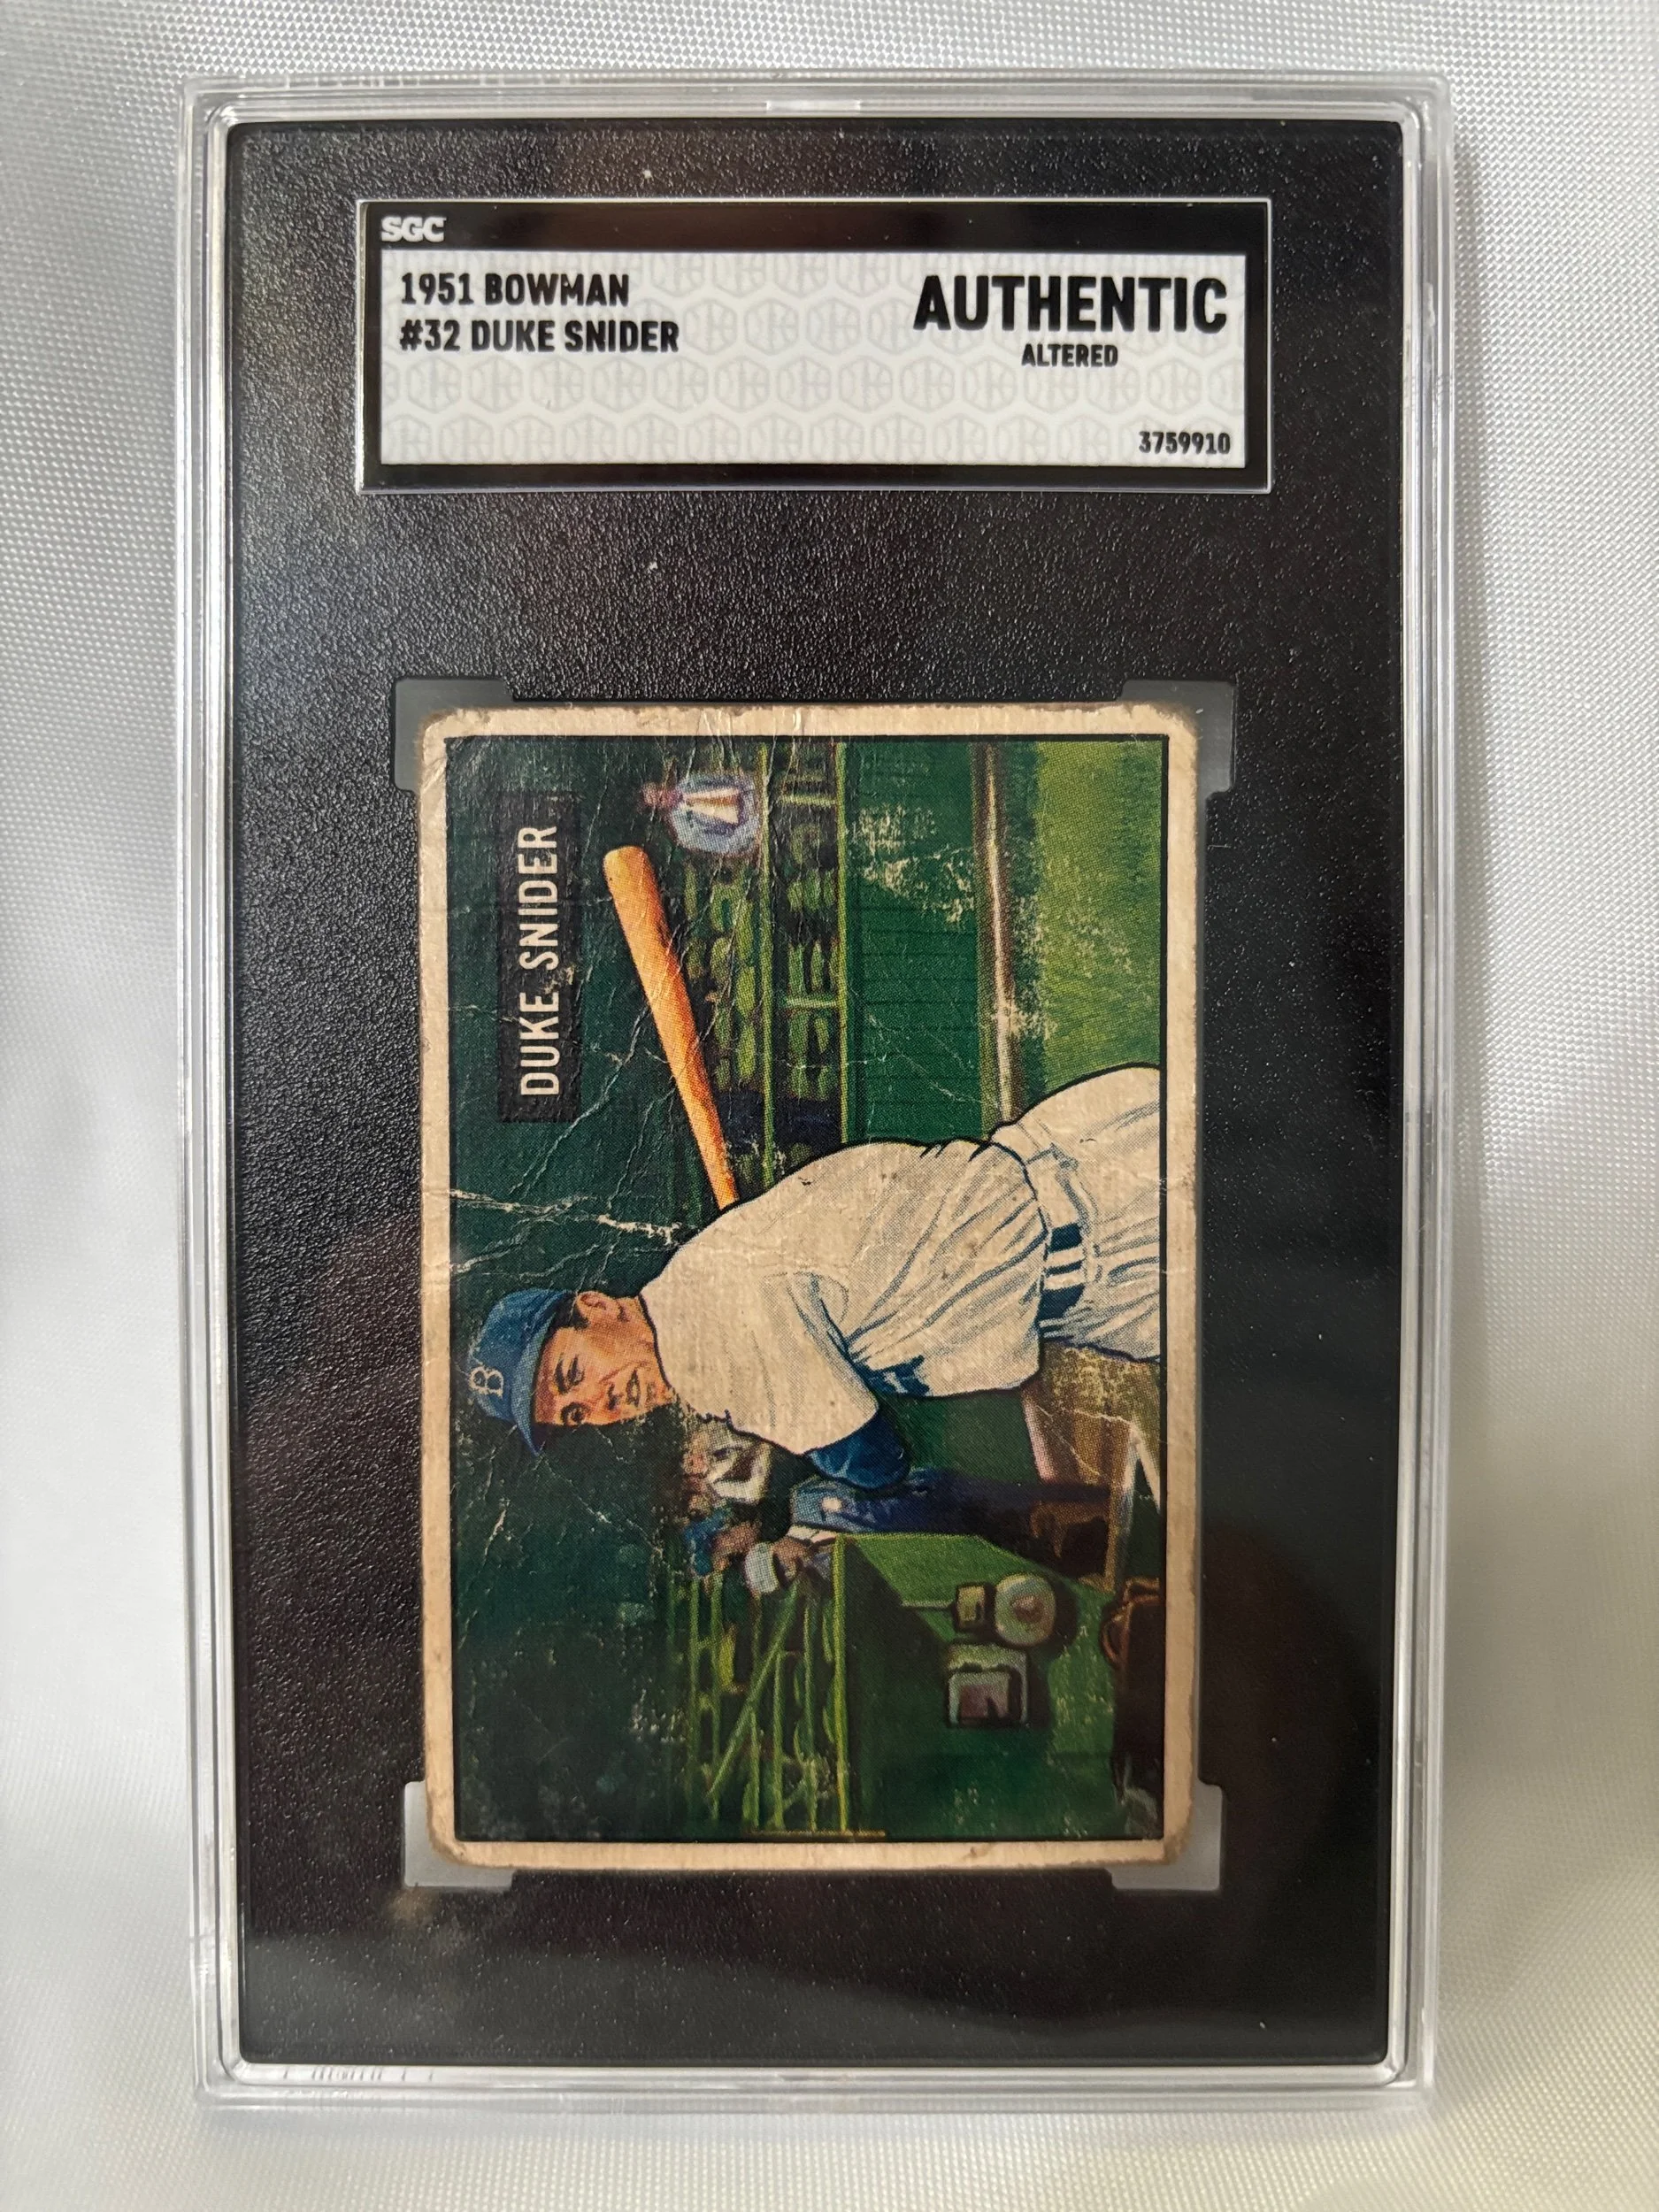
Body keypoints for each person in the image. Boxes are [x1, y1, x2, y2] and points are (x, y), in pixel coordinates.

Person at [465, 1066, 1161, 1585]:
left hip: (1118, 1219)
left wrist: (825, 1499)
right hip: (1083, 1200)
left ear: (596, 1307)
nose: (602, 1401)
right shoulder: (695, 1279)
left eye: (573, 1374)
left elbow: (872, 1459)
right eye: (577, 1414)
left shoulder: (701, 1343)